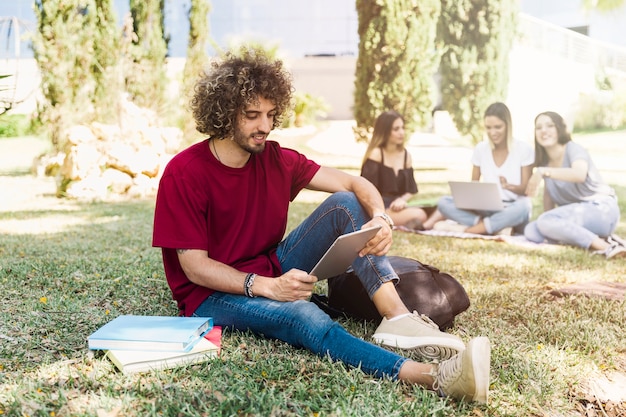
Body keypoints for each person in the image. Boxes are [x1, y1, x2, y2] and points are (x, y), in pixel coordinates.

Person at [152, 49, 491, 403]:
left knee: (345, 205)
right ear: (223, 113)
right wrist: (268, 287)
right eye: (252, 115)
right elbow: (193, 267)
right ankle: (434, 378)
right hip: (210, 295)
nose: (264, 127)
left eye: (270, 115)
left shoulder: (276, 159)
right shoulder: (184, 172)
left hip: (270, 265)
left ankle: (397, 317)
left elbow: (355, 184)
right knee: (302, 314)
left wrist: (380, 216)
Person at [523, 111, 625, 259]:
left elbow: (579, 174)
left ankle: (608, 247)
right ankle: (602, 239)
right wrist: (548, 218)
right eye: (538, 127)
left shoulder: (573, 149)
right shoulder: (544, 161)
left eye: (549, 125)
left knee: (545, 222)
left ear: (559, 128)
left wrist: (543, 171)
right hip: (576, 217)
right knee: (532, 230)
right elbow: (549, 195)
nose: (543, 130)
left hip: (602, 210)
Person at [422, 102, 534, 235]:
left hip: (511, 207)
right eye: (488, 127)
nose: (493, 133)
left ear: (508, 125)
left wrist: (509, 186)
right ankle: (494, 227)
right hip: (486, 208)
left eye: (498, 127)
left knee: (525, 205)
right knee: (443, 202)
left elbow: (526, 191)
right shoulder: (481, 149)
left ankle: (470, 230)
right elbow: (473, 184)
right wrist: (471, 197)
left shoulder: (523, 149)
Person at [360, 111, 428, 230]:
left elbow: (411, 190)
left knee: (431, 209)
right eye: (396, 129)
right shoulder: (376, 154)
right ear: (385, 131)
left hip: (397, 206)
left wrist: (401, 200)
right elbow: (365, 189)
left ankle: (401, 223)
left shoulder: (406, 156)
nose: (401, 132)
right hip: (377, 208)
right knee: (420, 215)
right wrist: (378, 211)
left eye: (402, 128)